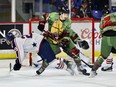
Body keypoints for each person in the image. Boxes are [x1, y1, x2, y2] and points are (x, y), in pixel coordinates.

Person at [38, 6, 90, 75]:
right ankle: (42, 68)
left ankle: (80, 68)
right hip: (51, 39)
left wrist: (64, 41)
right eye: (65, 14)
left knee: (74, 51)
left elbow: (67, 32)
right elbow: (44, 16)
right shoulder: (53, 16)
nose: (66, 16)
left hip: (62, 37)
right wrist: (41, 23)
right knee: (50, 56)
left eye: (67, 14)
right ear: (61, 13)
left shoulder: (68, 21)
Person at [90, 12, 116, 77]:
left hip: (105, 38)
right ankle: (108, 65)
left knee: (103, 55)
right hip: (115, 35)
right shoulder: (114, 14)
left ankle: (93, 70)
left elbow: (101, 32)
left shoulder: (103, 19)